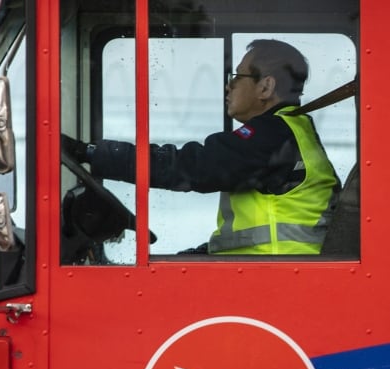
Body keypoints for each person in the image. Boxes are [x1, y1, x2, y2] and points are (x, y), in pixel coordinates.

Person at [63, 39, 339, 255]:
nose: (228, 87)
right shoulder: (290, 131)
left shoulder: (272, 135)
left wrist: (89, 153)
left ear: (266, 87)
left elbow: (189, 167)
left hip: (275, 278)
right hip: (274, 269)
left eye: (236, 76)